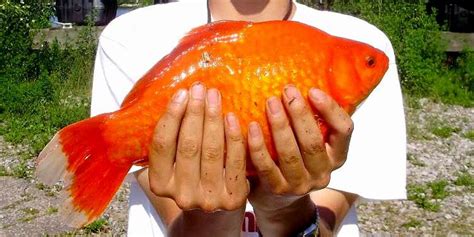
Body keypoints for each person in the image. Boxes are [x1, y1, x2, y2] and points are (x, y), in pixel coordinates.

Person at [90, 0, 407, 236]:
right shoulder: (131, 37)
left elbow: (326, 225)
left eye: (367, 63)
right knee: (116, 143)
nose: (372, 64)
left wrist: (286, 209)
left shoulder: (363, 38)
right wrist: (208, 216)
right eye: (367, 63)